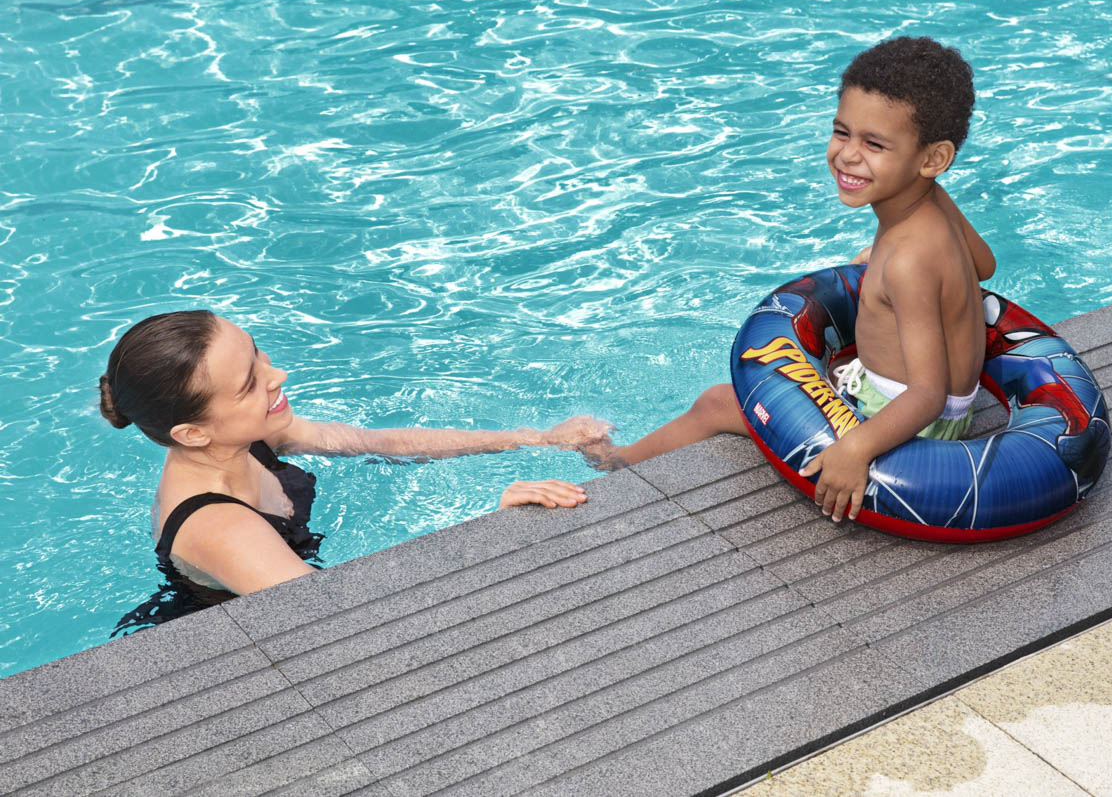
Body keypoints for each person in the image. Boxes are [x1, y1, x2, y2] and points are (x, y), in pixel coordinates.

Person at [591, 36, 996, 523]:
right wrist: (884, 260)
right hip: (932, 403)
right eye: (842, 132)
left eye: (874, 144)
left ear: (932, 158)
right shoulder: (932, 207)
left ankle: (615, 463)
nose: (847, 155)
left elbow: (926, 395)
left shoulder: (909, 261)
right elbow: (984, 266)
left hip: (911, 427)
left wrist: (854, 450)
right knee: (823, 363)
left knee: (718, 402)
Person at [99, 309, 611, 617]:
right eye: (250, 383)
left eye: (257, 354)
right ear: (193, 432)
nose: (277, 375)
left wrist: (534, 439)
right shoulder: (220, 527)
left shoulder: (247, 435)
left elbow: (380, 442)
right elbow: (346, 618)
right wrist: (492, 530)